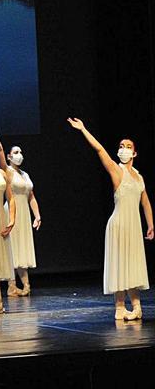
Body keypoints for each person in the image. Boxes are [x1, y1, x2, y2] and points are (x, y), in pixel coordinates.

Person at [67, 118, 153, 320]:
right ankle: (120, 307)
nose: (124, 149)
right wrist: (83, 129)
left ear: (135, 153)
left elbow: (146, 202)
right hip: (118, 225)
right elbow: (99, 150)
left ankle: (137, 306)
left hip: (133, 226)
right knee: (119, 265)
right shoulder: (116, 170)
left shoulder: (139, 177)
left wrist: (150, 224)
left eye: (128, 146)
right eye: (121, 146)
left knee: (133, 265)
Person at [0, 123, 42, 296]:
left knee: (22, 249)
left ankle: (26, 286)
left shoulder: (25, 175)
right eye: (15, 153)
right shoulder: (7, 171)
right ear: (9, 156)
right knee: (11, 248)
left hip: (24, 213)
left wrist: (37, 216)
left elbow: (31, 196)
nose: (19, 155)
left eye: (21, 152)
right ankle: (12, 285)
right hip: (9, 212)